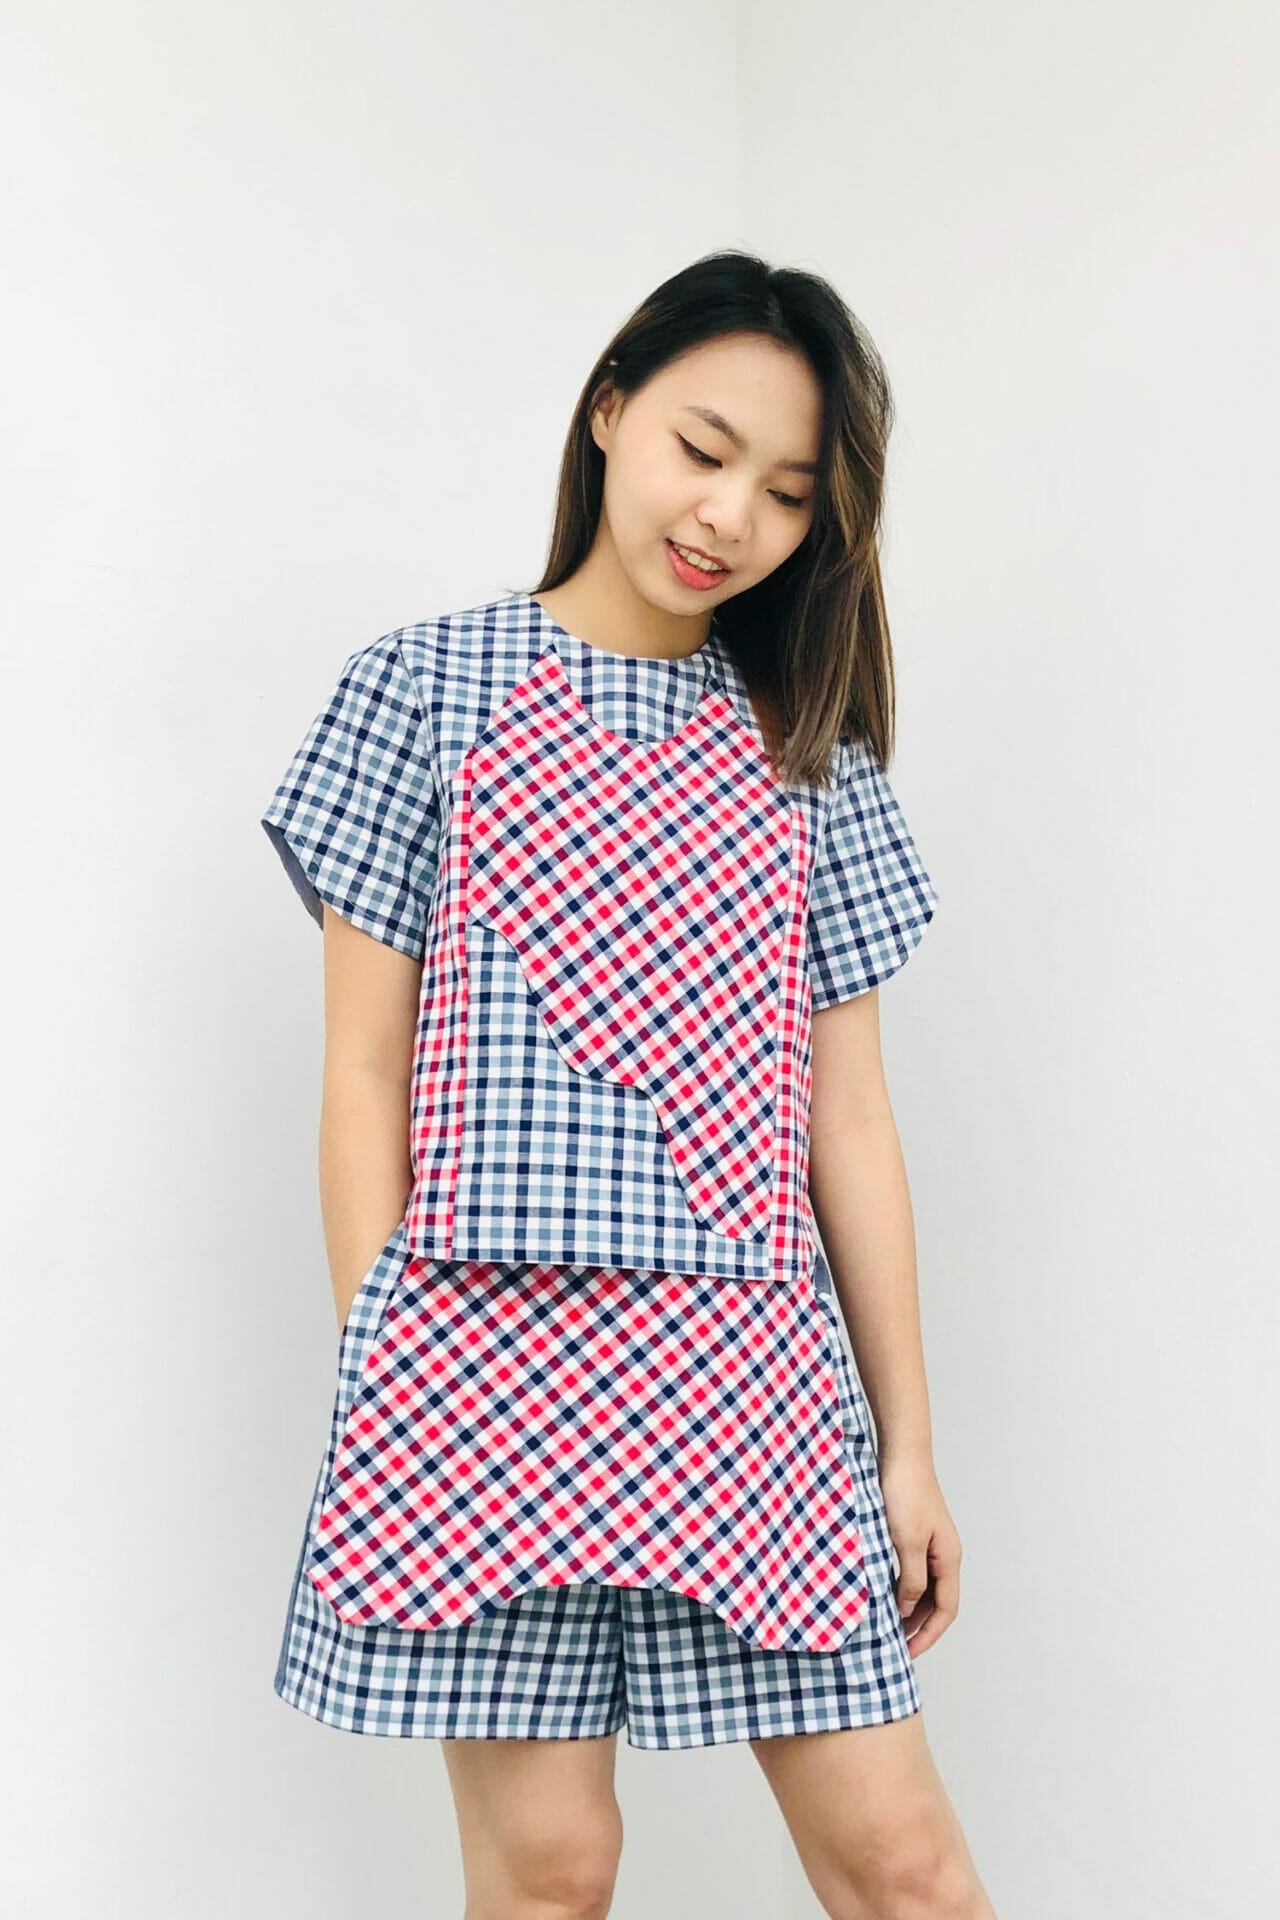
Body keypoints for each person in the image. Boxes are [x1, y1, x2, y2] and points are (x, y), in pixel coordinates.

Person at [260, 249, 996, 1918]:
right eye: (702, 448)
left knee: (904, 1869)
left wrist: (908, 1448)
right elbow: (362, 1071)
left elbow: (849, 1117)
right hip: (480, 1364)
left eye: (789, 493)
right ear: (609, 411)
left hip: (750, 1372)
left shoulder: (808, 743)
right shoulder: (424, 689)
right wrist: (387, 1364)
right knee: (553, 1874)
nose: (730, 516)